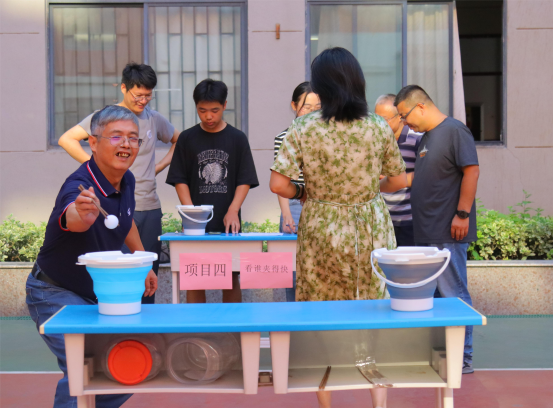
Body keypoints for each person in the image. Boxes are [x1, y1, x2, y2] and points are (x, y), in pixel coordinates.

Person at [270, 48, 407, 408]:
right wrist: (367, 189)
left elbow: (278, 184)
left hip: (321, 226)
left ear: (321, 87)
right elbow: (398, 180)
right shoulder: (378, 126)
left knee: (321, 312)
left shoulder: (302, 128)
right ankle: (379, 401)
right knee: (374, 311)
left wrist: (305, 192)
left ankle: (326, 402)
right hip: (370, 226)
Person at [26, 105, 158, 407]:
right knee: (83, 366)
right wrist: (82, 214)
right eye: (116, 136)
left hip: (96, 295)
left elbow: (125, 221)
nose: (126, 144)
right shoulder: (79, 186)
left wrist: (143, 261)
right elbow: (72, 216)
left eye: (133, 138)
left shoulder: (126, 179)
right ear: (93, 142)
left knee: (125, 367)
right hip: (53, 292)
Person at [58, 63, 179, 304]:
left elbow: (180, 140)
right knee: (121, 276)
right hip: (116, 207)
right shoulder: (107, 118)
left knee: (148, 273)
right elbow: (67, 139)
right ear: (124, 88)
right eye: (138, 95)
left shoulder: (153, 118)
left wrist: (158, 167)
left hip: (149, 205)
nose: (143, 101)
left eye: (148, 96)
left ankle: (146, 324)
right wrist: (97, 169)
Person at [394, 85, 480, 374]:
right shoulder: (426, 139)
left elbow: (472, 170)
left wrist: (462, 214)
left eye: (404, 115)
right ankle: (444, 354)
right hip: (427, 231)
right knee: (435, 299)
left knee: (454, 293)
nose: (405, 123)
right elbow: (419, 179)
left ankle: (463, 357)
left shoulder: (455, 131)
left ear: (420, 106)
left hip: (448, 232)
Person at [166, 79, 259, 304]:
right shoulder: (187, 138)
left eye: (215, 110)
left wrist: (233, 210)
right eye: (202, 110)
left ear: (225, 105)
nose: (208, 116)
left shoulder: (237, 138)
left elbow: (245, 179)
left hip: (228, 222)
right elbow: (180, 179)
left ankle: (233, 325)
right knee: (195, 277)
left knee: (231, 278)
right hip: (195, 226)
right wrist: (191, 214)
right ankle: (196, 326)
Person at [273, 81, 321, 302]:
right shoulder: (284, 137)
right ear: (294, 105)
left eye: (317, 107)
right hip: (294, 203)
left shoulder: (325, 136)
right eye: (307, 107)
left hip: (319, 204)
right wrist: (286, 214)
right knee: (292, 270)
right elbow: (281, 181)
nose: (312, 112)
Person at [375, 94, 422, 246]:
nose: (380, 124)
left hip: (409, 219)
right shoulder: (374, 140)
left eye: (385, 119)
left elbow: (425, 175)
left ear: (399, 117)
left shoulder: (416, 139)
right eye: (376, 119)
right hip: (382, 219)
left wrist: (393, 179)